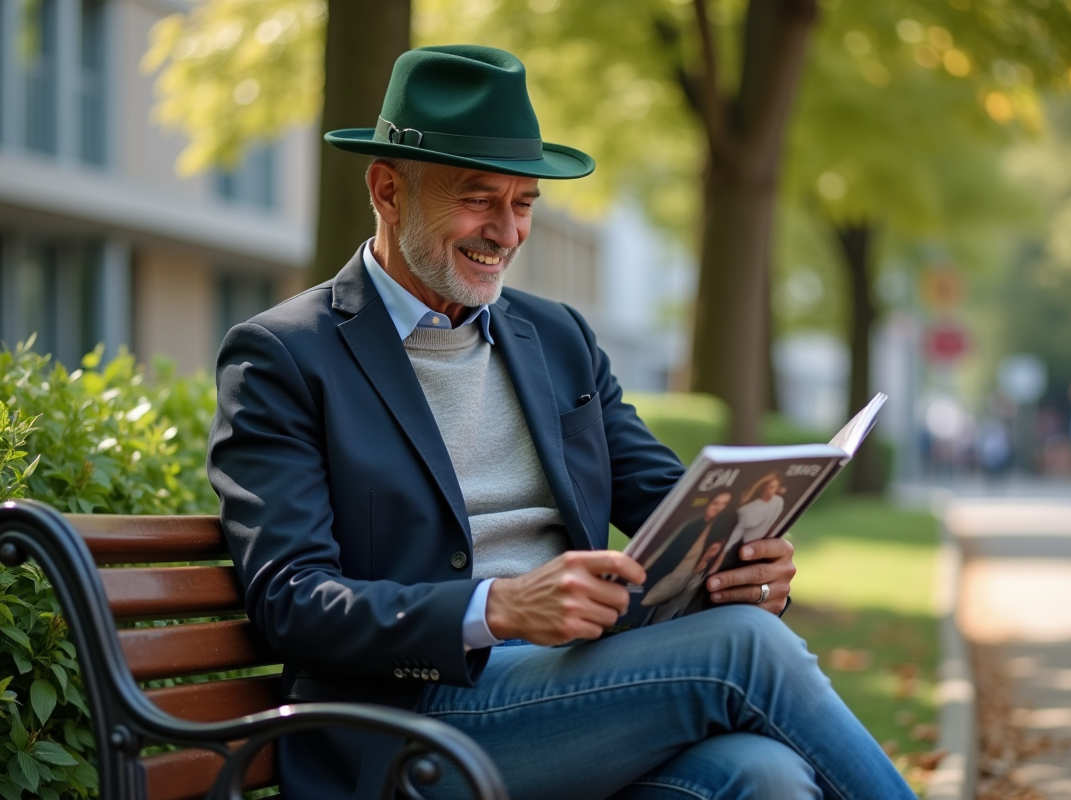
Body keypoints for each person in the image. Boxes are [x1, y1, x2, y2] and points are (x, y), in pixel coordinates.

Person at [208, 45, 915, 800]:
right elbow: (292, 599)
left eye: (524, 204)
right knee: (748, 651)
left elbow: (677, 504)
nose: (506, 232)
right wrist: (499, 608)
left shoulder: (557, 339)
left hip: (572, 700)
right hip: (406, 731)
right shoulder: (284, 355)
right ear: (387, 190)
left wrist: (749, 565)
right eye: (479, 200)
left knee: (763, 774)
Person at [640, 491, 737, 624]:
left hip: (694, 583)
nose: (719, 508)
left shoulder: (721, 526)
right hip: (665, 580)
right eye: (716, 503)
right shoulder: (692, 525)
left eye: (724, 504)